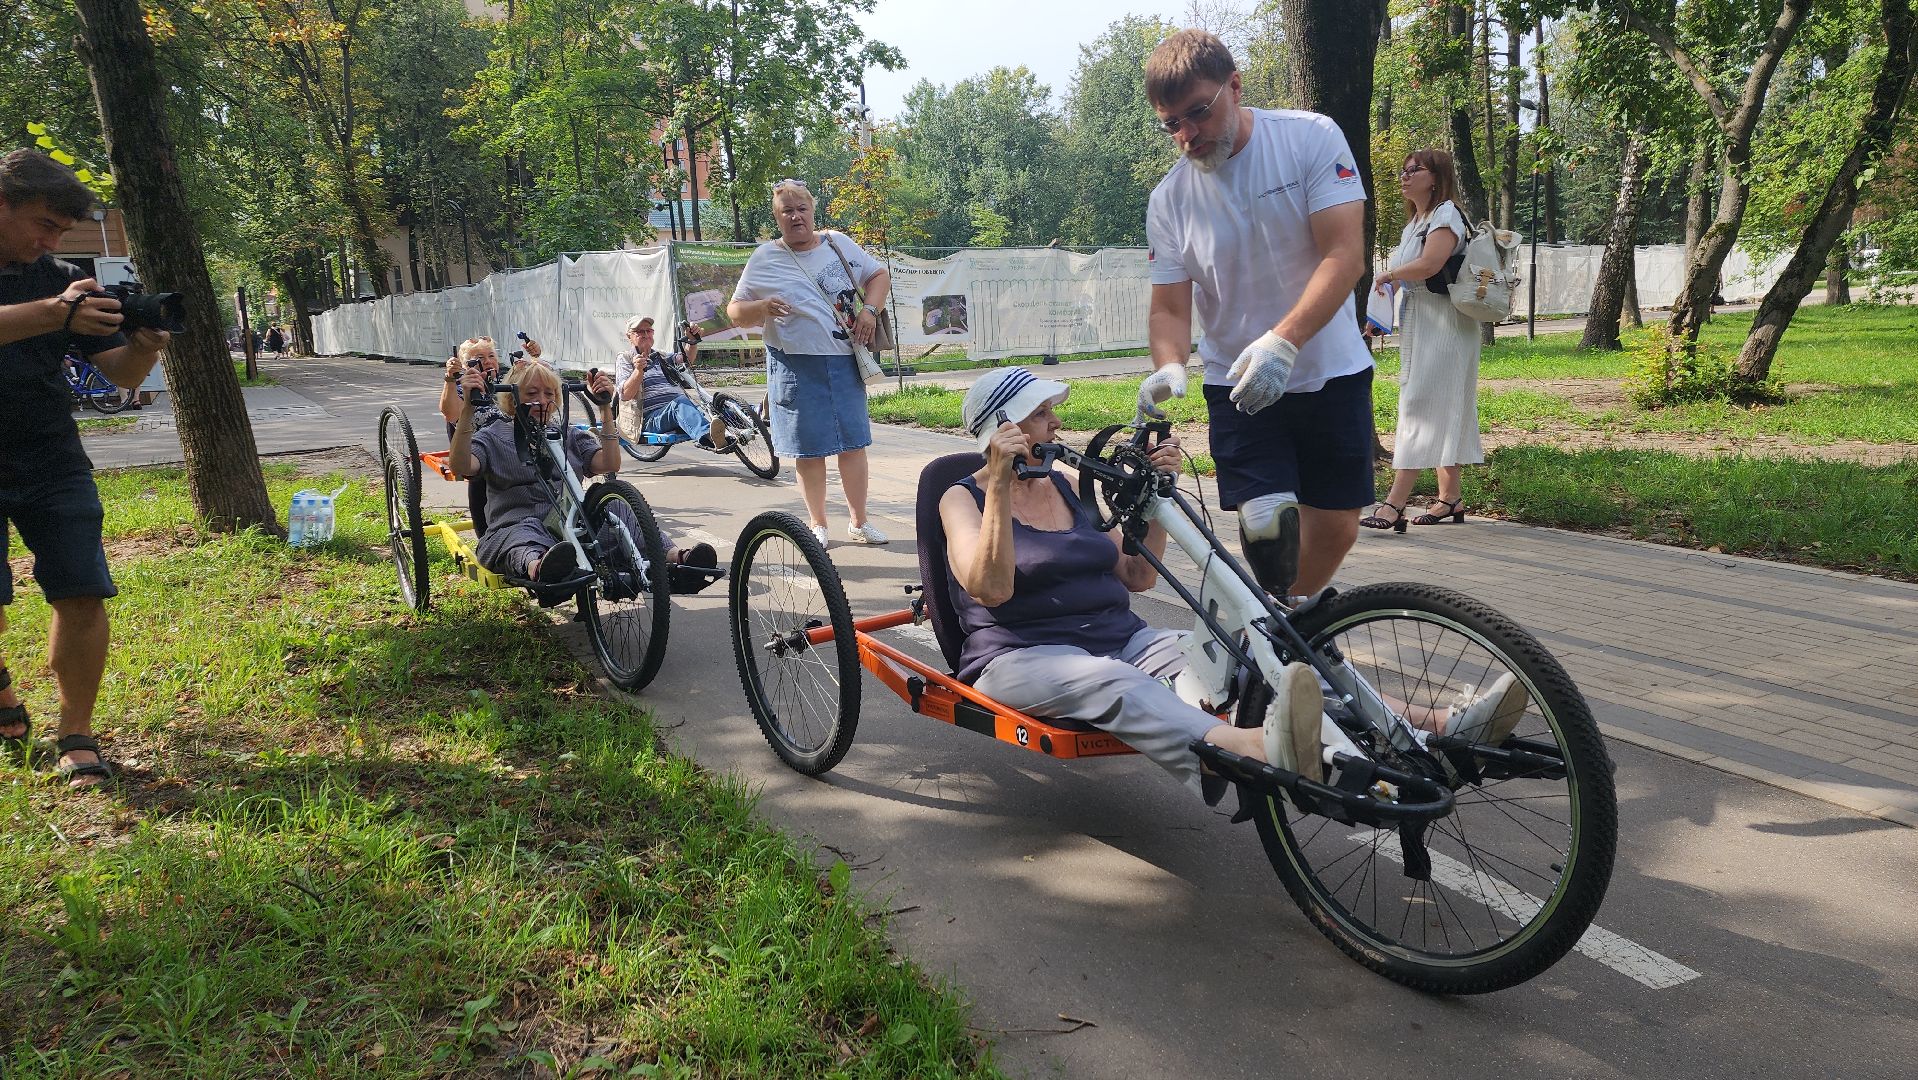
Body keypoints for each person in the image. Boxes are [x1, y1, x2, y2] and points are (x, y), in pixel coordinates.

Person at [940, 368, 1326, 799]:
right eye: (1041, 413)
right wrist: (999, 487)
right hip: (1018, 657)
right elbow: (991, 589)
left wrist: (1156, 493)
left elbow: (1138, 575)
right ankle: (1250, 752)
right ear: (1002, 429)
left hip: (1123, 640)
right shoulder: (961, 498)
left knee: (1243, 651)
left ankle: (1399, 730)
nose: (1057, 423)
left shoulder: (1066, 485)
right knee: (1116, 680)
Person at [1138, 29, 1374, 603]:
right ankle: (1282, 639)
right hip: (1237, 382)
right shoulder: (1169, 201)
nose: (1187, 135)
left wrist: (1284, 341)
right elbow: (1170, 306)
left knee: (1338, 527)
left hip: (1330, 367)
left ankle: (1282, 629)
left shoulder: (1308, 138)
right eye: (1172, 124)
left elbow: (1345, 255)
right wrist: (1170, 366)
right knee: (1268, 526)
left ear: (1235, 86)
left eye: (1198, 112)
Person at [0, 149, 171, 789]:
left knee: (81, 586)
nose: (48, 243)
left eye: (58, 232)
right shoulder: (57, 297)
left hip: (49, 452)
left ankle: (76, 734)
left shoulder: (61, 278)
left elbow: (119, 373)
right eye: (42, 224)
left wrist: (145, 348)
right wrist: (53, 311)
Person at [726, 179, 891, 547]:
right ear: (778, 217)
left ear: (813, 212)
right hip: (795, 365)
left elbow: (879, 275)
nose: (796, 216)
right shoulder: (766, 257)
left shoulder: (837, 243)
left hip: (844, 361)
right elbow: (734, 311)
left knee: (853, 445)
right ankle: (818, 524)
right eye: (788, 211)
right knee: (809, 451)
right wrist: (762, 307)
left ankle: (859, 523)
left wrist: (868, 310)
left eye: (802, 209)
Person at [1364, 149, 1482, 531]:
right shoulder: (1417, 221)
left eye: (1415, 170)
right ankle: (1450, 499)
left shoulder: (1446, 214)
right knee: (1442, 406)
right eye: (1403, 170)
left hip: (1446, 323)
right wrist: (1376, 319)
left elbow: (1430, 265)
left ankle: (1394, 504)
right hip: (1422, 320)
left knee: (1418, 405)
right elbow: (1404, 277)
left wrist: (1387, 274)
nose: (1405, 176)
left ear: (1436, 177)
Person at [447, 361, 621, 582]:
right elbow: (460, 466)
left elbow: (610, 464)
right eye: (532, 393)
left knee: (616, 510)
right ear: (512, 398)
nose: (542, 400)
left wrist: (605, 408)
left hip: (573, 528)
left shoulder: (568, 435)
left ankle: (673, 556)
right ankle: (540, 568)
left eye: (549, 393)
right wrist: (468, 409)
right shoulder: (493, 436)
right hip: (514, 528)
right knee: (526, 532)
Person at [614, 315, 729, 452]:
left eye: (649, 331)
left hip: (680, 411)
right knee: (679, 404)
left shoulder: (659, 355)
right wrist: (638, 370)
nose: (645, 335)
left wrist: (692, 341)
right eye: (640, 332)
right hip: (649, 419)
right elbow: (625, 394)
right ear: (629, 336)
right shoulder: (626, 358)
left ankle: (753, 416)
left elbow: (685, 360)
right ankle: (710, 438)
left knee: (716, 405)